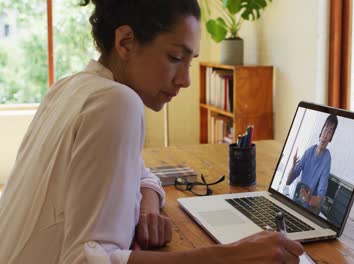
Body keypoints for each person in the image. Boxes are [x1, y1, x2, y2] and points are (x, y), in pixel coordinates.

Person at [0, 1, 304, 263]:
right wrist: (232, 256)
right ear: (126, 42)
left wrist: (147, 207)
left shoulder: (69, 87)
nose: (185, 80)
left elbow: (140, 172)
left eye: (190, 61)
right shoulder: (117, 102)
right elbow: (85, 260)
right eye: (174, 58)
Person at [285, 114, 338, 213]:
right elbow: (288, 182)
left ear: (331, 137)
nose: (326, 135)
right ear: (321, 131)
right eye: (325, 129)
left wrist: (309, 199)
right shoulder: (309, 151)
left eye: (330, 132)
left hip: (309, 209)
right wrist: (293, 167)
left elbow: (321, 196)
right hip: (296, 202)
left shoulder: (327, 158)